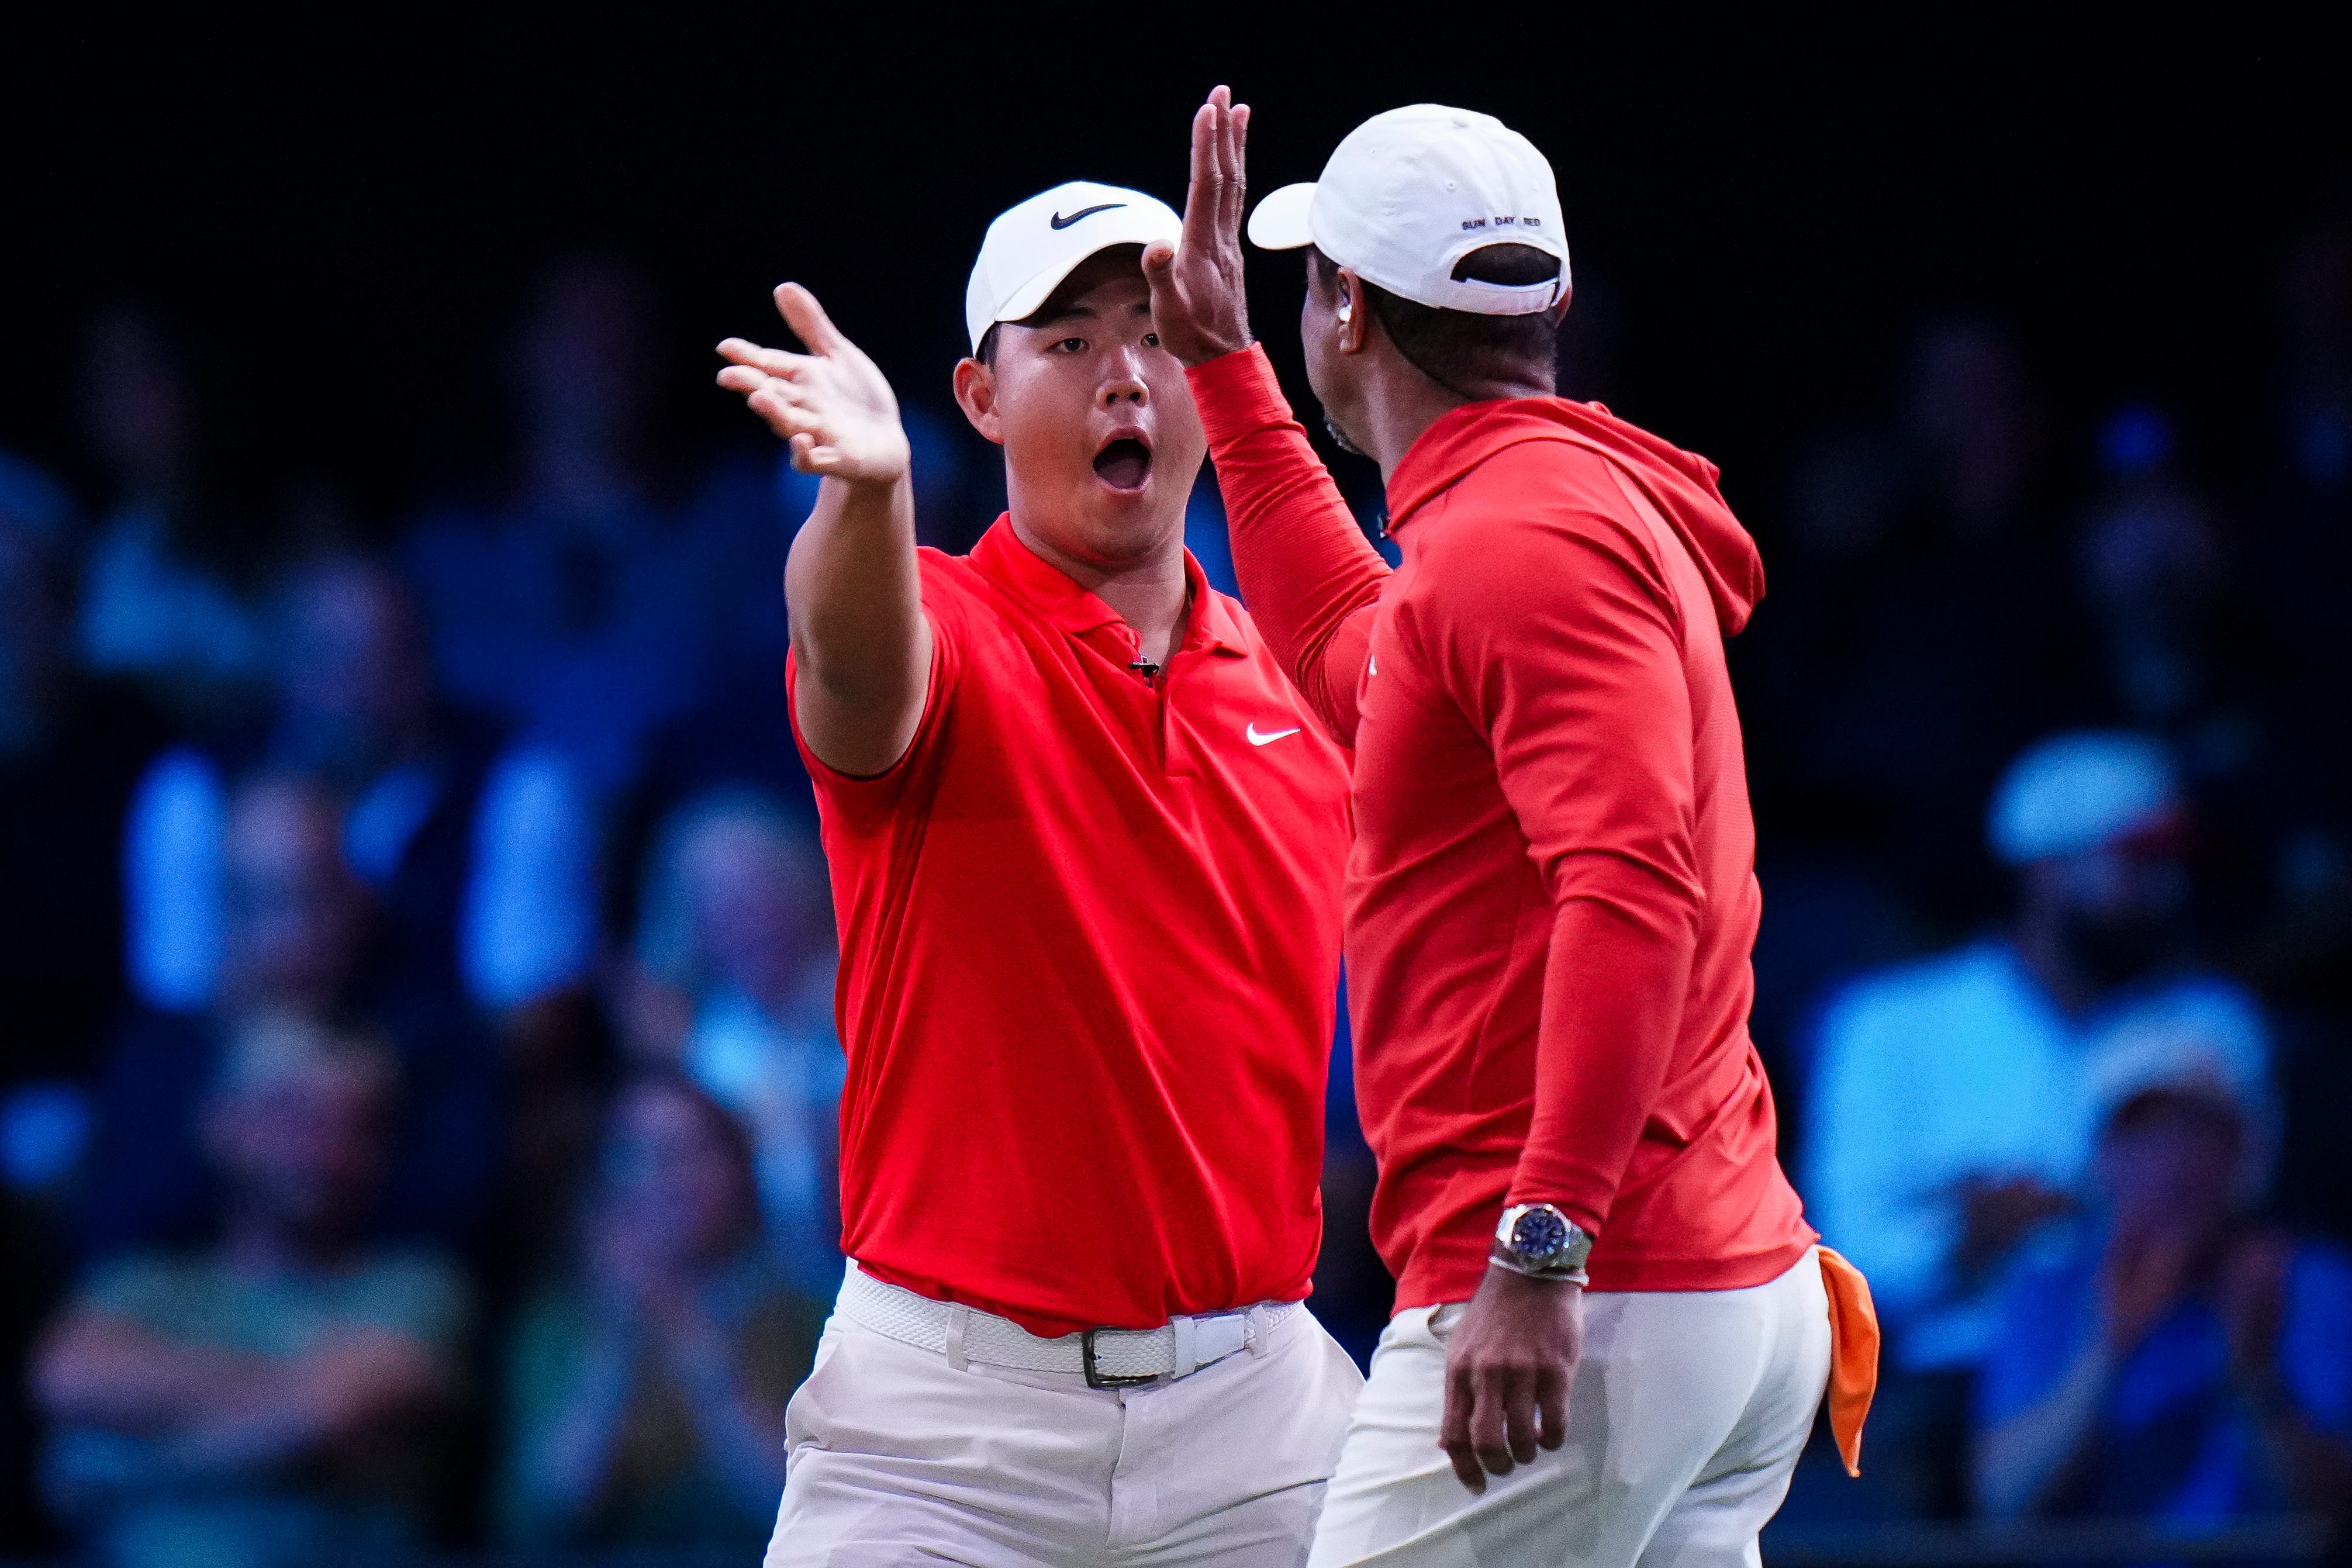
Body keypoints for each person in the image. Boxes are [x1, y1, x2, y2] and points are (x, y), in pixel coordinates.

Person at [1146, 92, 1859, 1565]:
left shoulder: (1518, 540)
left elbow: (1630, 895)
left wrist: (1541, 1249)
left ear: (1343, 311)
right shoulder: (1521, 515)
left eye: (1304, 286)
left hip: (1582, 1298)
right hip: (1669, 1293)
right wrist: (1220, 362)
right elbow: (1357, 665)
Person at [713, 177, 1362, 1564]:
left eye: (1149, 332)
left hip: (1258, 1418)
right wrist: (863, 497)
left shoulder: (1310, 685)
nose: (1121, 373)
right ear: (978, 395)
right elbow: (851, 659)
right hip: (940, 1435)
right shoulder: (939, 621)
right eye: (1064, 343)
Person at [1804, 730, 2269, 1514]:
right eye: (2134, 858)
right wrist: (1958, 1242)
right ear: (2045, 870)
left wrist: (2055, 1211)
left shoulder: (2212, 1021)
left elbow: (2239, 1201)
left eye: (2168, 859)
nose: (2163, 886)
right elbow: (1838, 1255)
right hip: (1950, 1368)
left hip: (2173, 1347)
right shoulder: (1887, 1022)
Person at [33, 1021, 471, 1568]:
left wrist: (107, 1463)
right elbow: (64, 1377)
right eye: (294, 1118)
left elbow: (326, 1415)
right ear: (225, 1125)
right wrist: (280, 1397)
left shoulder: (414, 1287)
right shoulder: (143, 1283)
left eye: (357, 1127)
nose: (323, 1149)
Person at [80, 771, 505, 1260]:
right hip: (181, 1299)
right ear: (226, 919)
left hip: (369, 1300)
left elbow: (451, 1225)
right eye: (260, 902)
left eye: (317, 895)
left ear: (362, 899)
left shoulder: (436, 1042)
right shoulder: (167, 1051)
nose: (296, 932)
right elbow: (113, 1229)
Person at [1973, 1021, 2351, 1522]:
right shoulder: (2047, 1291)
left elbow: (2335, 1517)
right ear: (2100, 1155)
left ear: (2247, 1152)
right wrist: (2107, 1350)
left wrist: (2257, 1378)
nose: (2172, 1163)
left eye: (2198, 1133)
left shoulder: (2312, 1285)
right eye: (2142, 1133)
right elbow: (2004, 1506)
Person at [499, 1074, 824, 1549]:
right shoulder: (559, 1323)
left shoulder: (810, 1320)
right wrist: (617, 1344)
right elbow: (547, 1515)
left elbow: (800, 1511)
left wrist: (698, 1352)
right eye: (640, 1156)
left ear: (740, 1168)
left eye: (694, 1151)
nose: (673, 1176)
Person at [625, 788, 844, 1294]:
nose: (748, 919)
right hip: (756, 1282)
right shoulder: (703, 1045)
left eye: (760, 892)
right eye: (721, 903)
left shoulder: (870, 1003)